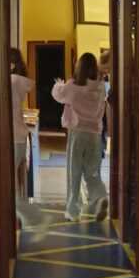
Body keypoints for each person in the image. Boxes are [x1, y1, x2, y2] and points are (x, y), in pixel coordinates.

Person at [52, 52, 108, 222]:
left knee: (73, 173)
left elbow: (58, 95)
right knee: (92, 172)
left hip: (77, 133)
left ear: (79, 67)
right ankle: (100, 196)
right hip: (95, 134)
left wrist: (58, 84)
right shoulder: (100, 87)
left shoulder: (72, 86)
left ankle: (73, 212)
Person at [10, 47, 34, 198]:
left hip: (12, 134)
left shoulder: (11, 81)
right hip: (19, 134)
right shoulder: (19, 81)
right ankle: (19, 208)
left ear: (12, 64)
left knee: (9, 180)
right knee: (13, 178)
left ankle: (17, 208)